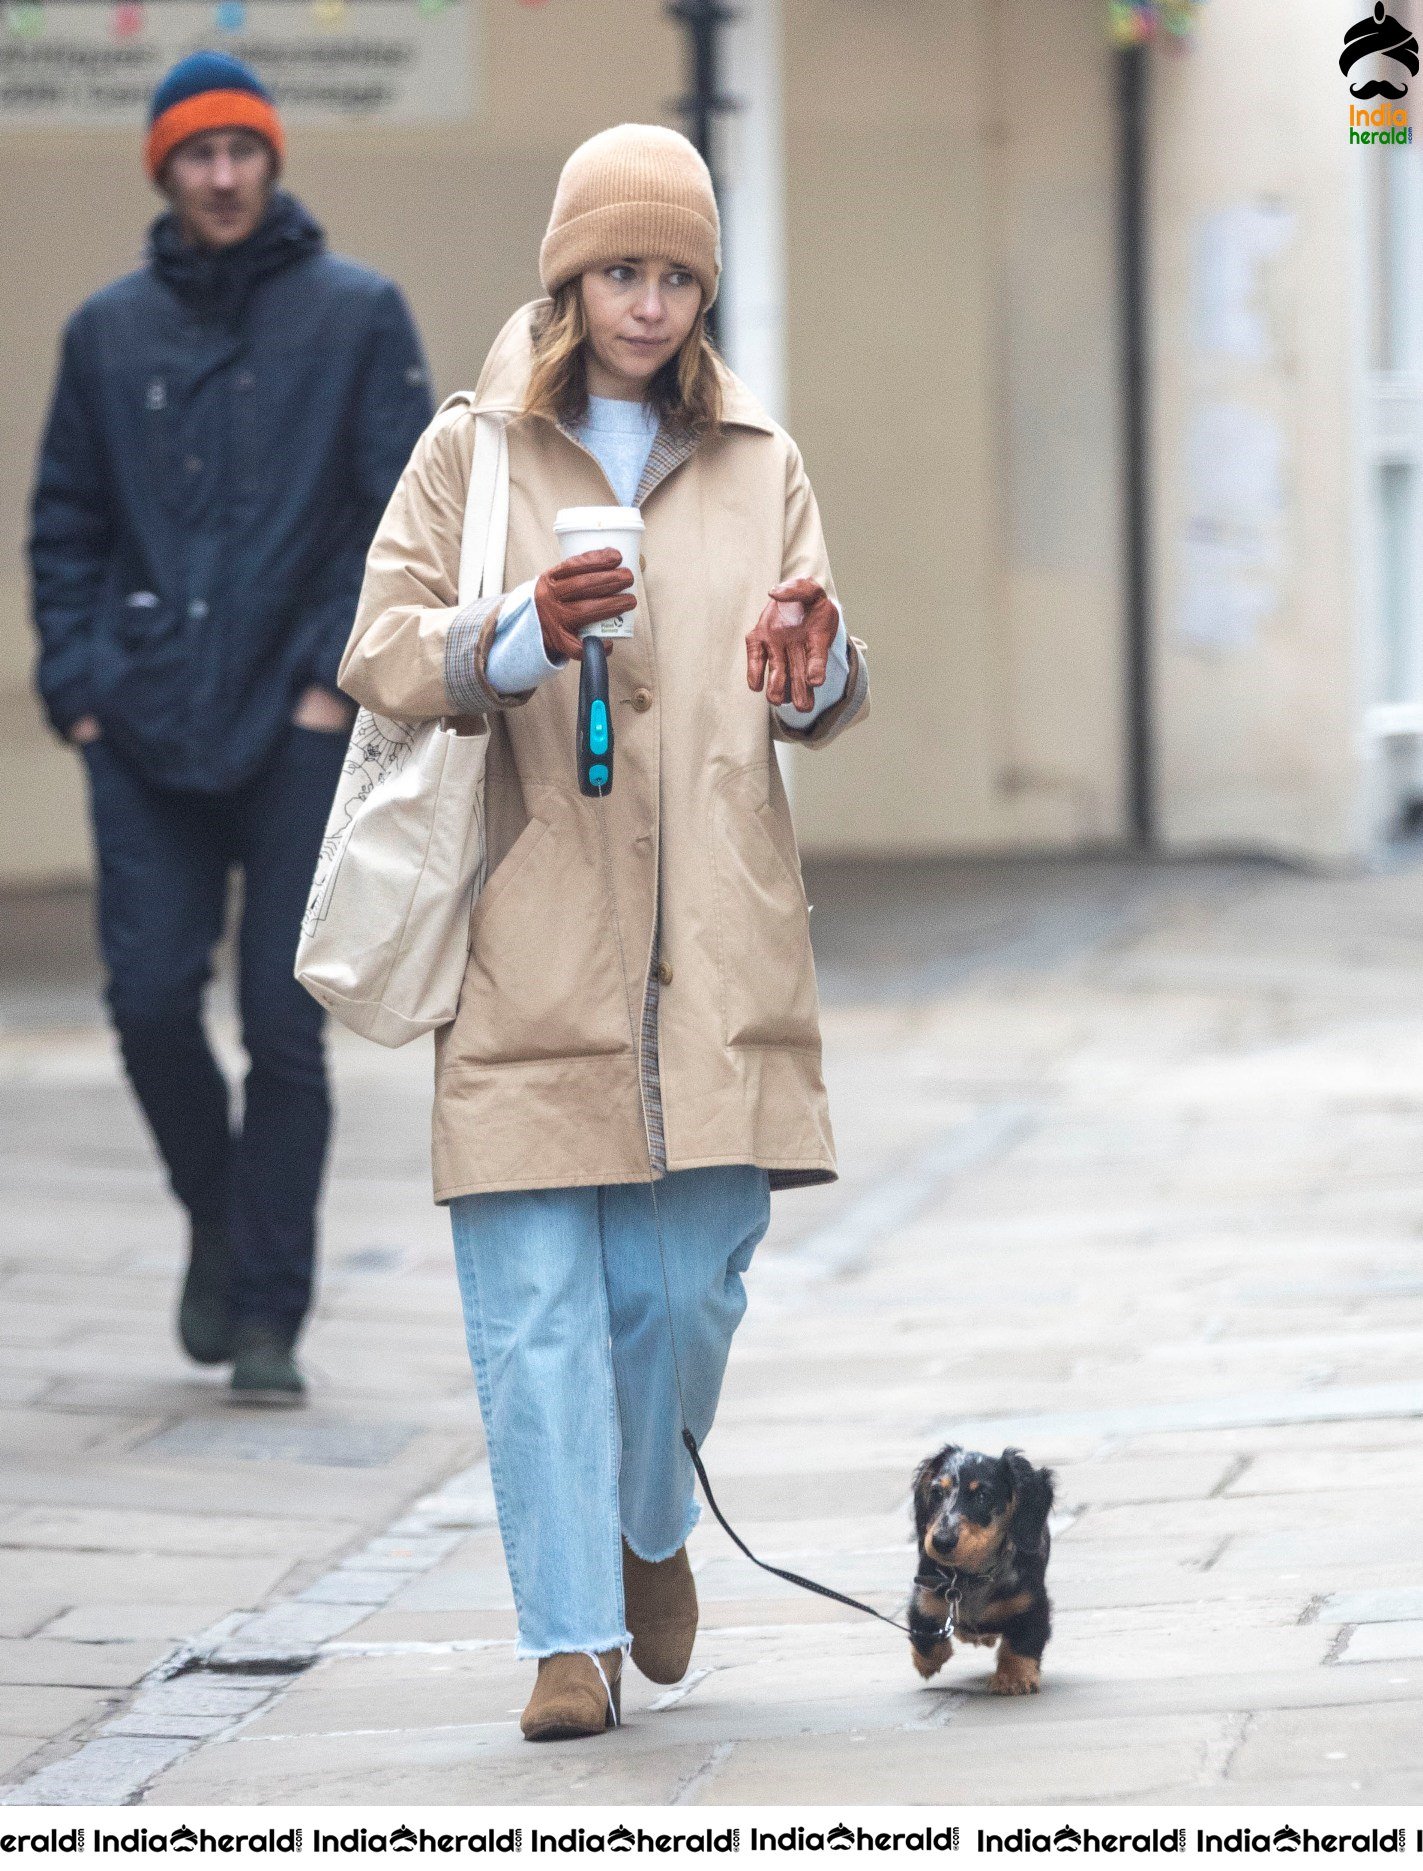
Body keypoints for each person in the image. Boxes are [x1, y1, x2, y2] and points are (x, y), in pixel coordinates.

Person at [339, 123, 869, 1739]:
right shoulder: (473, 452)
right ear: (570, 275)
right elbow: (381, 649)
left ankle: (652, 1532)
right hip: (527, 927)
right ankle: (566, 1640)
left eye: (675, 275)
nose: (648, 303)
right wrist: (510, 635)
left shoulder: (760, 457)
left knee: (685, 1294)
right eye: (622, 270)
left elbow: (821, 680)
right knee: (536, 1313)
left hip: (714, 936)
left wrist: (818, 663)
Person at [29, 51, 434, 1403]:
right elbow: (64, 523)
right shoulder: (107, 333)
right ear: (164, 169)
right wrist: (78, 690)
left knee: (284, 1022)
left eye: (239, 151)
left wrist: (333, 677)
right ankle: (222, 1211)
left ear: (271, 161)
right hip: (139, 725)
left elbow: (399, 519)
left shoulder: (359, 316)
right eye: (194, 155)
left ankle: (268, 1313)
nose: (219, 175)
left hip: (298, 720)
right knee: (148, 1003)